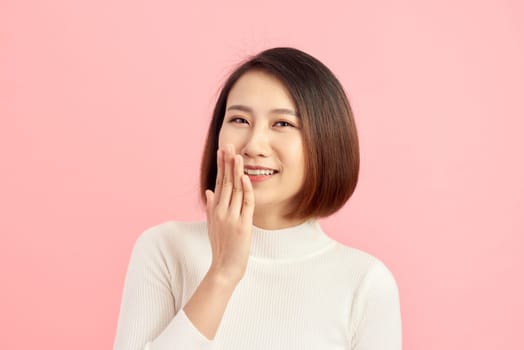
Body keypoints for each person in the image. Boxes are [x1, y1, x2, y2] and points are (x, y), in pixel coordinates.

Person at [113, 47, 402, 350]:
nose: (254, 145)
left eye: (283, 124)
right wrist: (222, 274)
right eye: (239, 120)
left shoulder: (366, 283)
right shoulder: (165, 249)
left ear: (326, 141)